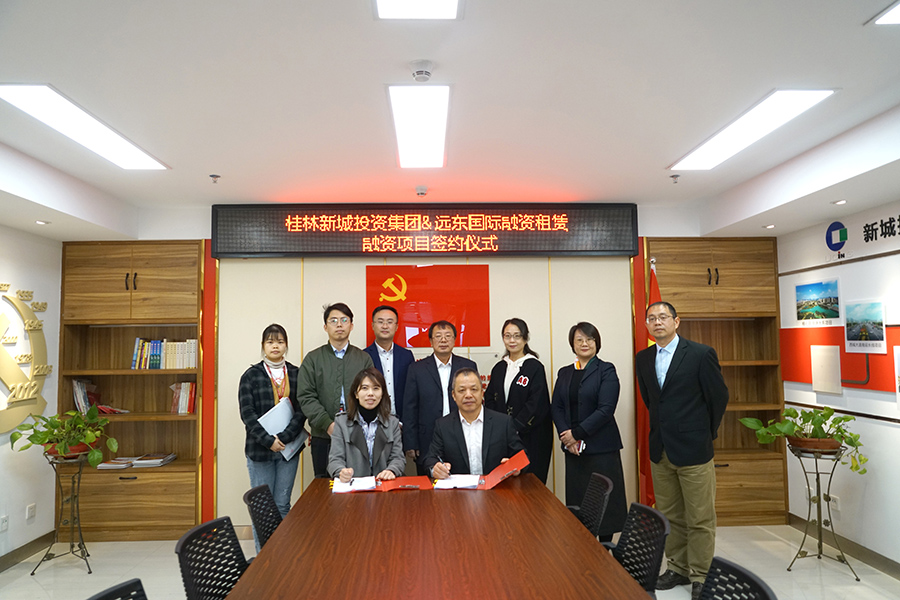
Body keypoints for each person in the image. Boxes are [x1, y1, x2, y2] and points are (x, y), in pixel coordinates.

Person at [636, 301, 729, 600]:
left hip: (694, 449)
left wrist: (703, 433)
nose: (657, 322)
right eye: (652, 318)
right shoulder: (643, 358)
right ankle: (677, 568)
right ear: (646, 325)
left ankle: (701, 574)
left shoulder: (700, 354)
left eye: (663, 317)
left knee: (700, 517)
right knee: (671, 516)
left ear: (676, 321)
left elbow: (718, 398)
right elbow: (652, 401)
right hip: (661, 449)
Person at [550, 321, 627, 543]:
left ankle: (604, 548)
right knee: (579, 502)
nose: (585, 343)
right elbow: (557, 407)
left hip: (602, 449)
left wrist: (577, 434)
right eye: (579, 340)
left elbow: (606, 409)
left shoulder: (606, 370)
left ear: (597, 342)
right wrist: (567, 436)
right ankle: (583, 548)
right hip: (574, 451)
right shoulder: (565, 372)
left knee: (606, 504)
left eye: (589, 339)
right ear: (572, 345)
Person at [238, 324, 307, 547]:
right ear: (263, 346)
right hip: (260, 450)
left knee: (282, 504)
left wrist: (284, 438)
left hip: (288, 448)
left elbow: (302, 410)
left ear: (286, 345)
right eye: (270, 342)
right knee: (262, 507)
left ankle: (281, 557)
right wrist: (269, 441)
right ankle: (264, 558)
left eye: (280, 341)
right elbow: (247, 414)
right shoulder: (250, 375)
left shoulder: (296, 373)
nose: (275, 346)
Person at [298, 303, 374, 478]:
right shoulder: (313, 359)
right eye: (333, 321)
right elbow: (306, 396)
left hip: (359, 435)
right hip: (323, 436)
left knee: (360, 483)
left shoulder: (363, 359)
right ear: (325, 327)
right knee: (325, 486)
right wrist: (327, 424)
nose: (339, 325)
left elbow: (372, 394)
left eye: (344, 320)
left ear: (351, 326)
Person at [402, 320, 477, 476]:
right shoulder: (417, 369)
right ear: (431, 341)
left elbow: (474, 403)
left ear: (454, 340)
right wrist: (411, 442)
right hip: (427, 438)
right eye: (438, 336)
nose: (443, 340)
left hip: (462, 434)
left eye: (448, 336)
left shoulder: (468, 366)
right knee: (428, 483)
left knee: (461, 481)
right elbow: (410, 407)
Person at [484, 318, 553, 484]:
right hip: (503, 437)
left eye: (517, 336)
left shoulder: (534, 367)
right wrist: (500, 428)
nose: (512, 340)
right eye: (507, 336)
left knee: (530, 485)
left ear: (525, 338)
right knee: (505, 484)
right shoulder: (499, 367)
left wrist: (514, 427)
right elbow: (490, 399)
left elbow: (536, 404)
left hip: (531, 435)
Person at [424, 368, 526, 479]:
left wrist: (516, 466)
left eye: (474, 389)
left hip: (496, 486)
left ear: (482, 393)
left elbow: (522, 456)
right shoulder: (443, 425)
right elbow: (431, 459)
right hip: (459, 488)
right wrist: (435, 469)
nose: (468, 395)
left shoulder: (503, 422)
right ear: (453, 395)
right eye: (462, 390)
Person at [327, 367, 405, 482]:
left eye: (376, 388)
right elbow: (335, 460)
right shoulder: (341, 422)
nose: (370, 394)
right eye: (364, 388)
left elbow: (398, 458)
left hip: (383, 485)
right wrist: (341, 472)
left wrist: (391, 471)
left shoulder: (392, 423)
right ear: (356, 394)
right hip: (353, 486)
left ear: (382, 393)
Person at [363, 305, 414, 423]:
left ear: (396, 327)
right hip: (372, 421)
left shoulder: (406, 356)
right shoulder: (364, 356)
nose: (385, 326)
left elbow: (411, 391)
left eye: (390, 322)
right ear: (373, 326)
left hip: (401, 421)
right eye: (380, 322)